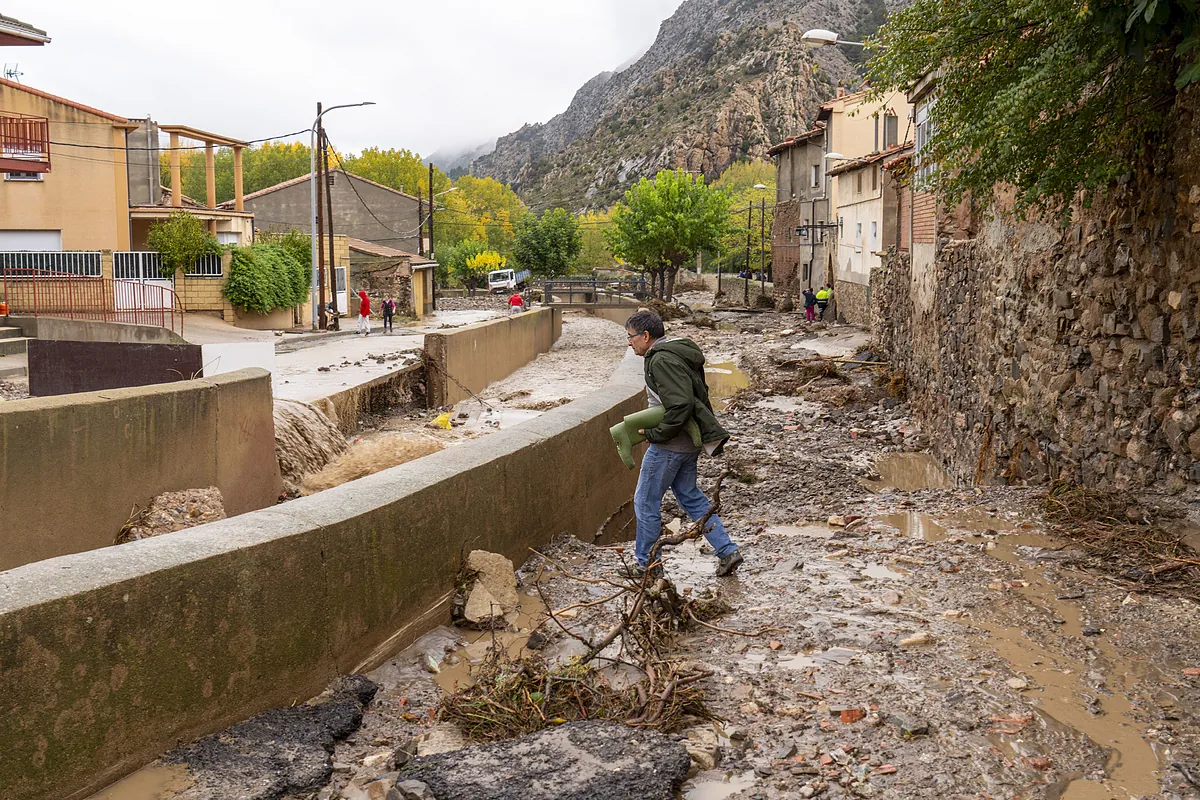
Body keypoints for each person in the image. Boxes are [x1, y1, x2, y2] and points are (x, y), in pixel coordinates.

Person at [622, 310, 743, 578]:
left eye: (630, 337)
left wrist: (656, 434)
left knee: (645, 501)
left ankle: (647, 564)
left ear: (645, 335)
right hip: (689, 442)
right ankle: (727, 551)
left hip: (670, 445)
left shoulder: (661, 360)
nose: (629, 343)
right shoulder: (677, 352)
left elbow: (680, 404)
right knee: (691, 497)